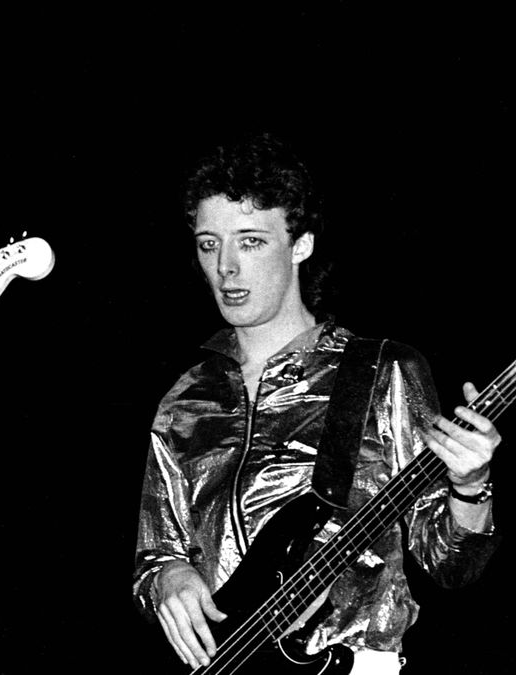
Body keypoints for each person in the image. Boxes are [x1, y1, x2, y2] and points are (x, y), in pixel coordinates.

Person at [132, 132, 501, 674]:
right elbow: (154, 553)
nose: (226, 267)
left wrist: (472, 485)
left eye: (250, 241)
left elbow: (449, 564)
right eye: (209, 243)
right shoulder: (186, 399)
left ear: (300, 244)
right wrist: (167, 577)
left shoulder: (381, 372)